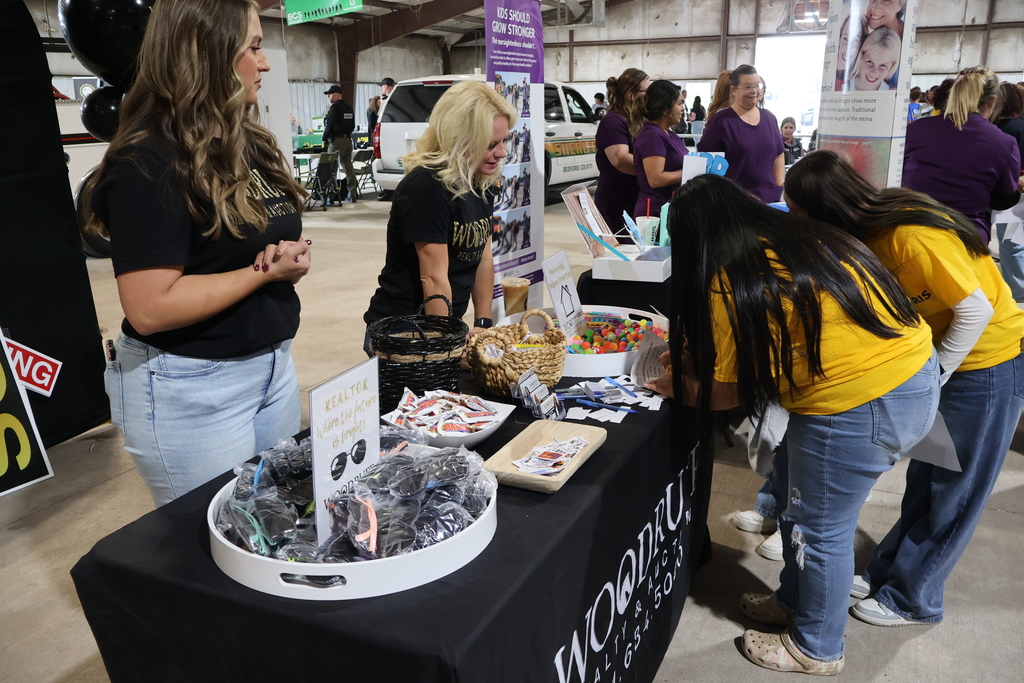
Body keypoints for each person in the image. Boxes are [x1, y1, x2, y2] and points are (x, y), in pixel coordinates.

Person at [647, 174, 938, 675]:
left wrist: (671, 385)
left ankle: (816, 647)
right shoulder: (807, 237)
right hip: (910, 378)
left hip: (859, 402)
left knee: (819, 530)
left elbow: (724, 394)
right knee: (797, 510)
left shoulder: (728, 278)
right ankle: (794, 601)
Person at [82, 0, 311, 506]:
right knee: (209, 550)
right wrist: (262, 274)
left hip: (271, 364)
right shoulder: (148, 160)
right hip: (190, 385)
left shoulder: (242, 141)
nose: (265, 62)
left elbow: (243, 249)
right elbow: (149, 307)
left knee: (274, 524)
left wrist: (284, 263)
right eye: (253, 47)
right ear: (208, 53)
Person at [785, 150, 1024, 628]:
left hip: (988, 364)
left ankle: (915, 598)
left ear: (827, 208)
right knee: (925, 482)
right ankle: (885, 572)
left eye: (800, 216)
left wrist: (934, 378)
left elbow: (974, 311)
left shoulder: (908, 234)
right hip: (947, 360)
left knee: (957, 491)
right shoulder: (866, 236)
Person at [363, 81, 514, 352]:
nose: (501, 152)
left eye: (504, 141)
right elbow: (432, 279)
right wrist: (446, 348)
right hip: (403, 333)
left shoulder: (481, 181)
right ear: (460, 139)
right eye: (490, 144)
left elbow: (484, 258)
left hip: (443, 325)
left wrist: (482, 323)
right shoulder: (426, 188)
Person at [903, 66, 1022, 243]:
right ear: (991, 102)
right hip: (964, 237)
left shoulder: (914, 130)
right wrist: (1017, 188)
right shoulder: (1004, 142)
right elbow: (1001, 200)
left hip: (908, 229)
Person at [698, 65, 785, 203]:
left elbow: (779, 153)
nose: (754, 91)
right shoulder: (721, 121)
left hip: (769, 200)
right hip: (735, 202)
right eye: (748, 87)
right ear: (734, 90)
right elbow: (708, 161)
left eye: (757, 86)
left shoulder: (769, 118)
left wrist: (779, 185)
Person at [594, 68, 649, 236]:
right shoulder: (613, 121)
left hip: (632, 200)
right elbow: (620, 159)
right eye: (646, 92)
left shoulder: (638, 120)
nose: (650, 97)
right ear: (630, 94)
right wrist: (655, 169)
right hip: (616, 204)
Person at [632, 79, 688, 218]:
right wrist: (691, 172)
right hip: (654, 212)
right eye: (679, 103)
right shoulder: (652, 135)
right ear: (664, 109)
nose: (682, 109)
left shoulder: (669, 134)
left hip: (669, 208)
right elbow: (656, 179)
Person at [993, 82, 1024, 300]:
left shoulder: (994, 127)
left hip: (1007, 195)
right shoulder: (1016, 127)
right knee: (1013, 245)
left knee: (1011, 246)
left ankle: (1019, 295)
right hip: (1013, 194)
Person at [323, 85, 357, 203]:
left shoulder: (335, 108)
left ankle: (330, 196)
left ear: (337, 95)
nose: (328, 96)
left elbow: (330, 125)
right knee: (348, 167)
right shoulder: (349, 108)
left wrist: (324, 138)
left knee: (331, 167)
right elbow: (352, 126)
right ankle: (352, 194)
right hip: (348, 140)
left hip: (336, 141)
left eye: (330, 94)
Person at [848, 26, 900, 91]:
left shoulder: (890, 94)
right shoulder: (843, 86)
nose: (874, 72)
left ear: (892, 65)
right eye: (870, 62)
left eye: (883, 65)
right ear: (861, 55)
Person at [835, 15, 864, 92]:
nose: (848, 47)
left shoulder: (859, 80)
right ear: (839, 39)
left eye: (855, 41)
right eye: (845, 38)